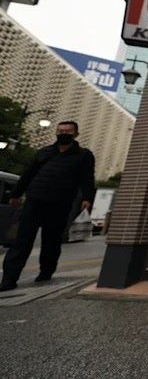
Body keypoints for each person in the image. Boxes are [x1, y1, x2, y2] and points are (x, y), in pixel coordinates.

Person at [0, 121, 95, 292]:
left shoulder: (83, 155)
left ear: (76, 134)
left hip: (61, 202)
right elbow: (28, 174)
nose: (63, 133)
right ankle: (9, 279)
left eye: (67, 131)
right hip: (34, 200)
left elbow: (87, 179)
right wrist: (16, 194)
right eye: (60, 131)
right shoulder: (45, 152)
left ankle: (46, 271)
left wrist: (87, 198)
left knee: (51, 240)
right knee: (22, 240)